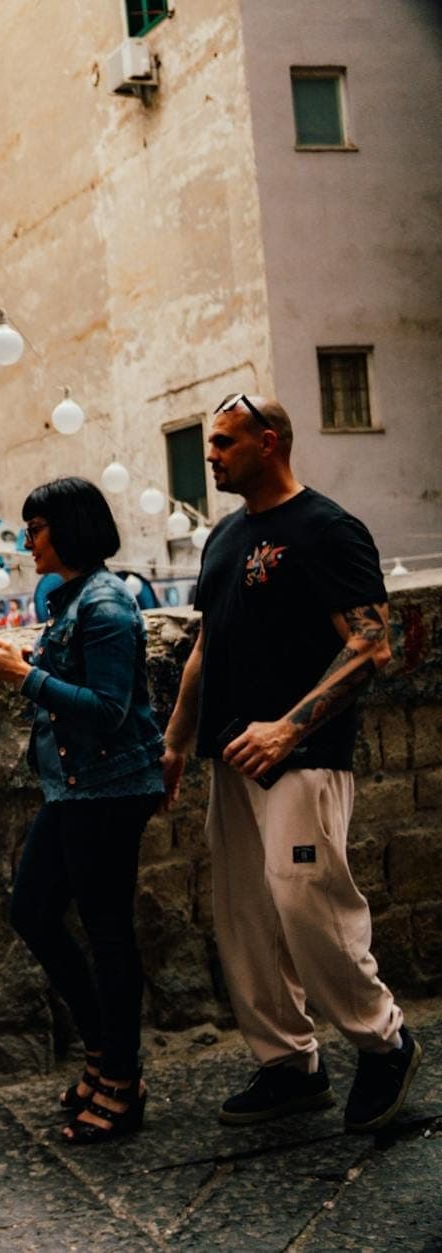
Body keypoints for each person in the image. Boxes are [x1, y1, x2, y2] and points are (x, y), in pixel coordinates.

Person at [161, 395, 420, 1132]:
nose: (209, 454)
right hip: (230, 757)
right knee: (245, 915)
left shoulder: (328, 529)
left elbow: (371, 645)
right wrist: (178, 741)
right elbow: (206, 649)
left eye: (223, 441)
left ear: (268, 442)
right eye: (209, 442)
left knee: (306, 897)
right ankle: (289, 1064)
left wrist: (286, 730)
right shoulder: (223, 537)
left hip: (303, 755)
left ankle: (384, 1041)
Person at [0, 478, 165, 1144]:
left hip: (107, 788)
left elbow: (108, 709)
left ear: (68, 528)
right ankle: (104, 1052)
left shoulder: (105, 605)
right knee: (32, 910)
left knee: (108, 933)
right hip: (72, 787)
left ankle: (122, 1081)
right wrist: (20, 664)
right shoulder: (70, 599)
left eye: (36, 528)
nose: (27, 542)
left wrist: (26, 677)